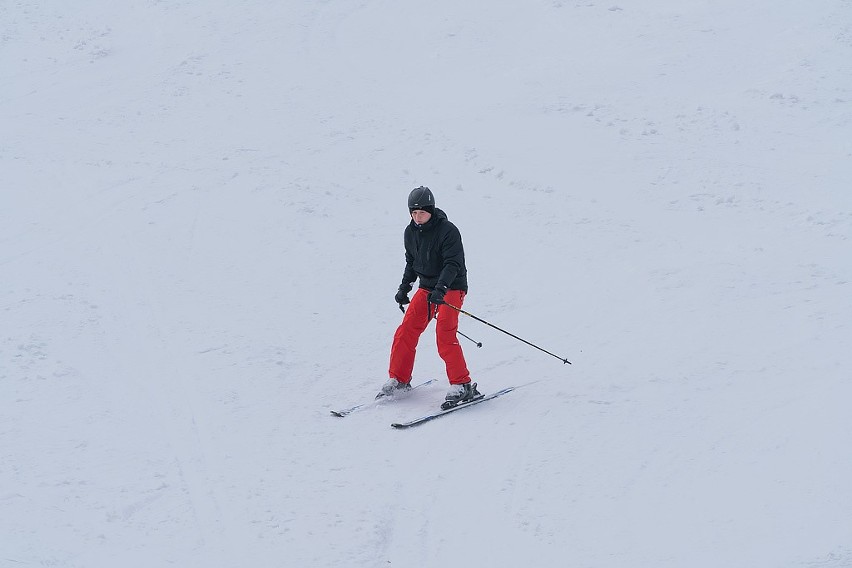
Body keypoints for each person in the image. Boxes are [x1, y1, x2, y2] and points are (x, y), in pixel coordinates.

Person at [378, 186, 481, 407]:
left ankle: (462, 384)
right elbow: (411, 263)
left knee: (444, 332)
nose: (418, 217)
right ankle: (399, 379)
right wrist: (404, 288)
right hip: (427, 287)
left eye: (422, 213)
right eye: (413, 213)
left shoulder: (448, 231)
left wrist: (441, 289)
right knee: (406, 330)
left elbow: (453, 263)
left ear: (431, 211)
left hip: (451, 286)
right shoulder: (410, 232)